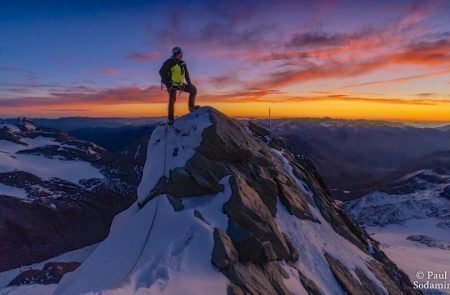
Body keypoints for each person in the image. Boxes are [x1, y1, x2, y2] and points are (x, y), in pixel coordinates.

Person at [159, 46, 199, 125]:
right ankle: (170, 119)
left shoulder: (183, 63)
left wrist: (189, 84)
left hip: (179, 84)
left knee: (193, 89)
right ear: (178, 53)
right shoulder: (169, 62)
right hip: (171, 84)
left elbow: (186, 75)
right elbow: (161, 72)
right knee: (172, 100)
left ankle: (191, 107)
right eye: (180, 53)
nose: (181, 55)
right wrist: (168, 84)